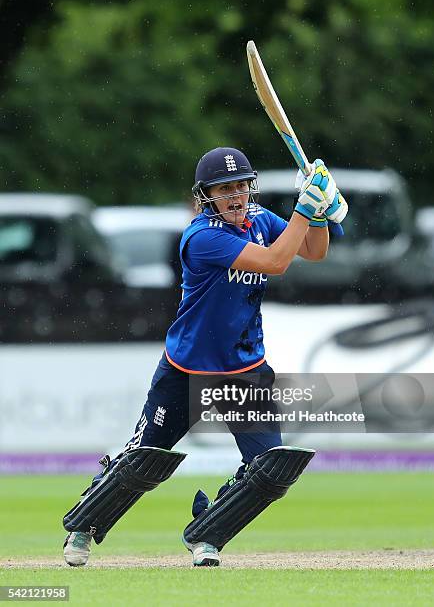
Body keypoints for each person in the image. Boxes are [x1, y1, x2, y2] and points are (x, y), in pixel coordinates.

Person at [63, 147, 348, 567]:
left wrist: (320, 212)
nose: (235, 196)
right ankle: (83, 526)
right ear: (206, 196)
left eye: (240, 187)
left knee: (270, 470)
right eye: (224, 189)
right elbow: (276, 261)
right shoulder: (202, 237)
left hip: (245, 370)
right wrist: (305, 208)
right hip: (186, 369)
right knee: (145, 458)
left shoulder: (260, 221)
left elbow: (314, 250)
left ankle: (207, 536)